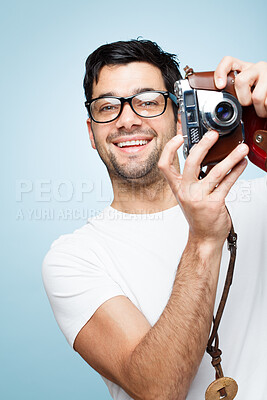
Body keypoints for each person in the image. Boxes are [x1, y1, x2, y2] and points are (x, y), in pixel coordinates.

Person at [42, 39, 267, 400]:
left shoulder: (261, 203)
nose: (127, 119)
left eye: (147, 101)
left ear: (181, 117)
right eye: (107, 107)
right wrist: (205, 239)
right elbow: (158, 390)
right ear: (91, 133)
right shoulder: (74, 258)